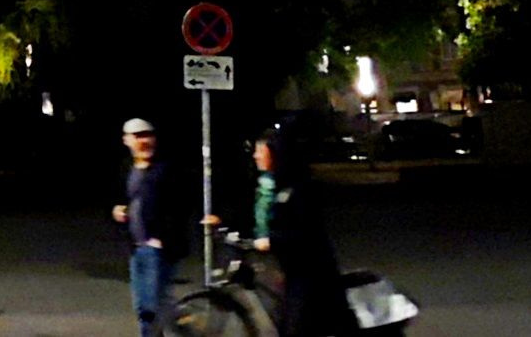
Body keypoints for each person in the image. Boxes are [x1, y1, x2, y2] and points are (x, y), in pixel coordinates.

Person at [209, 129, 353, 336]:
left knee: (295, 327)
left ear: (276, 153)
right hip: (286, 268)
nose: (255, 155)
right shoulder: (266, 186)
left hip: (309, 272)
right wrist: (226, 224)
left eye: (261, 150)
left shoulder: (298, 188)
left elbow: (304, 232)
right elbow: (255, 217)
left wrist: (271, 240)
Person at [112, 117, 187, 337]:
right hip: (136, 247)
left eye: (148, 135)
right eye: (138, 136)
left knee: (152, 308)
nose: (144, 141)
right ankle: (182, 322)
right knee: (144, 307)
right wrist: (117, 210)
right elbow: (121, 197)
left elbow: (182, 202)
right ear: (127, 141)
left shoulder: (165, 169)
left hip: (159, 248)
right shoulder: (127, 168)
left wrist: (165, 236)